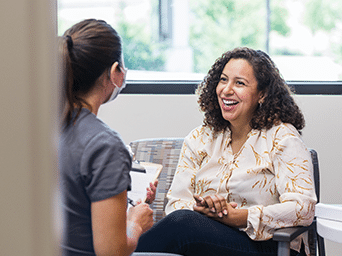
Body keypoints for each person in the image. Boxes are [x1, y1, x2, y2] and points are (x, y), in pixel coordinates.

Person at [135, 47, 316, 256]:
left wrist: (237, 216)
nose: (226, 90)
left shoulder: (283, 137)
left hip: (269, 246)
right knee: (184, 221)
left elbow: (303, 208)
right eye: (223, 80)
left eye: (239, 83)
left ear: (262, 94)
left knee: (183, 224)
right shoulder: (199, 138)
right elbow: (177, 203)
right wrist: (208, 210)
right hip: (206, 239)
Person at [58, 19, 158, 256]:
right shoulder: (105, 146)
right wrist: (135, 223)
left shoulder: (40, 127)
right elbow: (111, 252)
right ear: (115, 73)